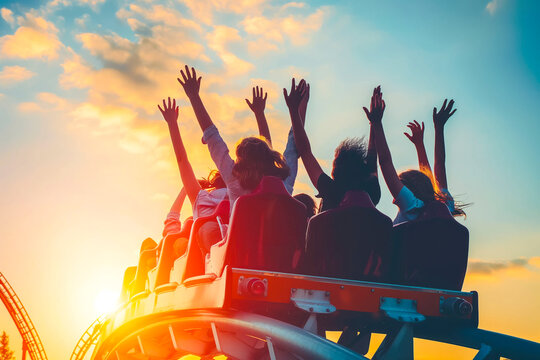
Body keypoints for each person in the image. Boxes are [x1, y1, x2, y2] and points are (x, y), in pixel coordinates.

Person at [284, 79, 381, 212]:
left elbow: (305, 151)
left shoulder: (331, 191)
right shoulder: (371, 192)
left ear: (337, 169)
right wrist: (375, 123)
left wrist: (294, 111)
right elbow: (372, 158)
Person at [365, 86, 452, 224]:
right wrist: (434, 132)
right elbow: (440, 166)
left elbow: (385, 162)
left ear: (408, 188)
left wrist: (376, 123)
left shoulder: (411, 206)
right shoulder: (445, 207)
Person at [403, 99, 466, 216]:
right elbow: (438, 168)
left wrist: (420, 144)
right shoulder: (441, 206)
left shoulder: (416, 208)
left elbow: (433, 173)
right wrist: (438, 128)